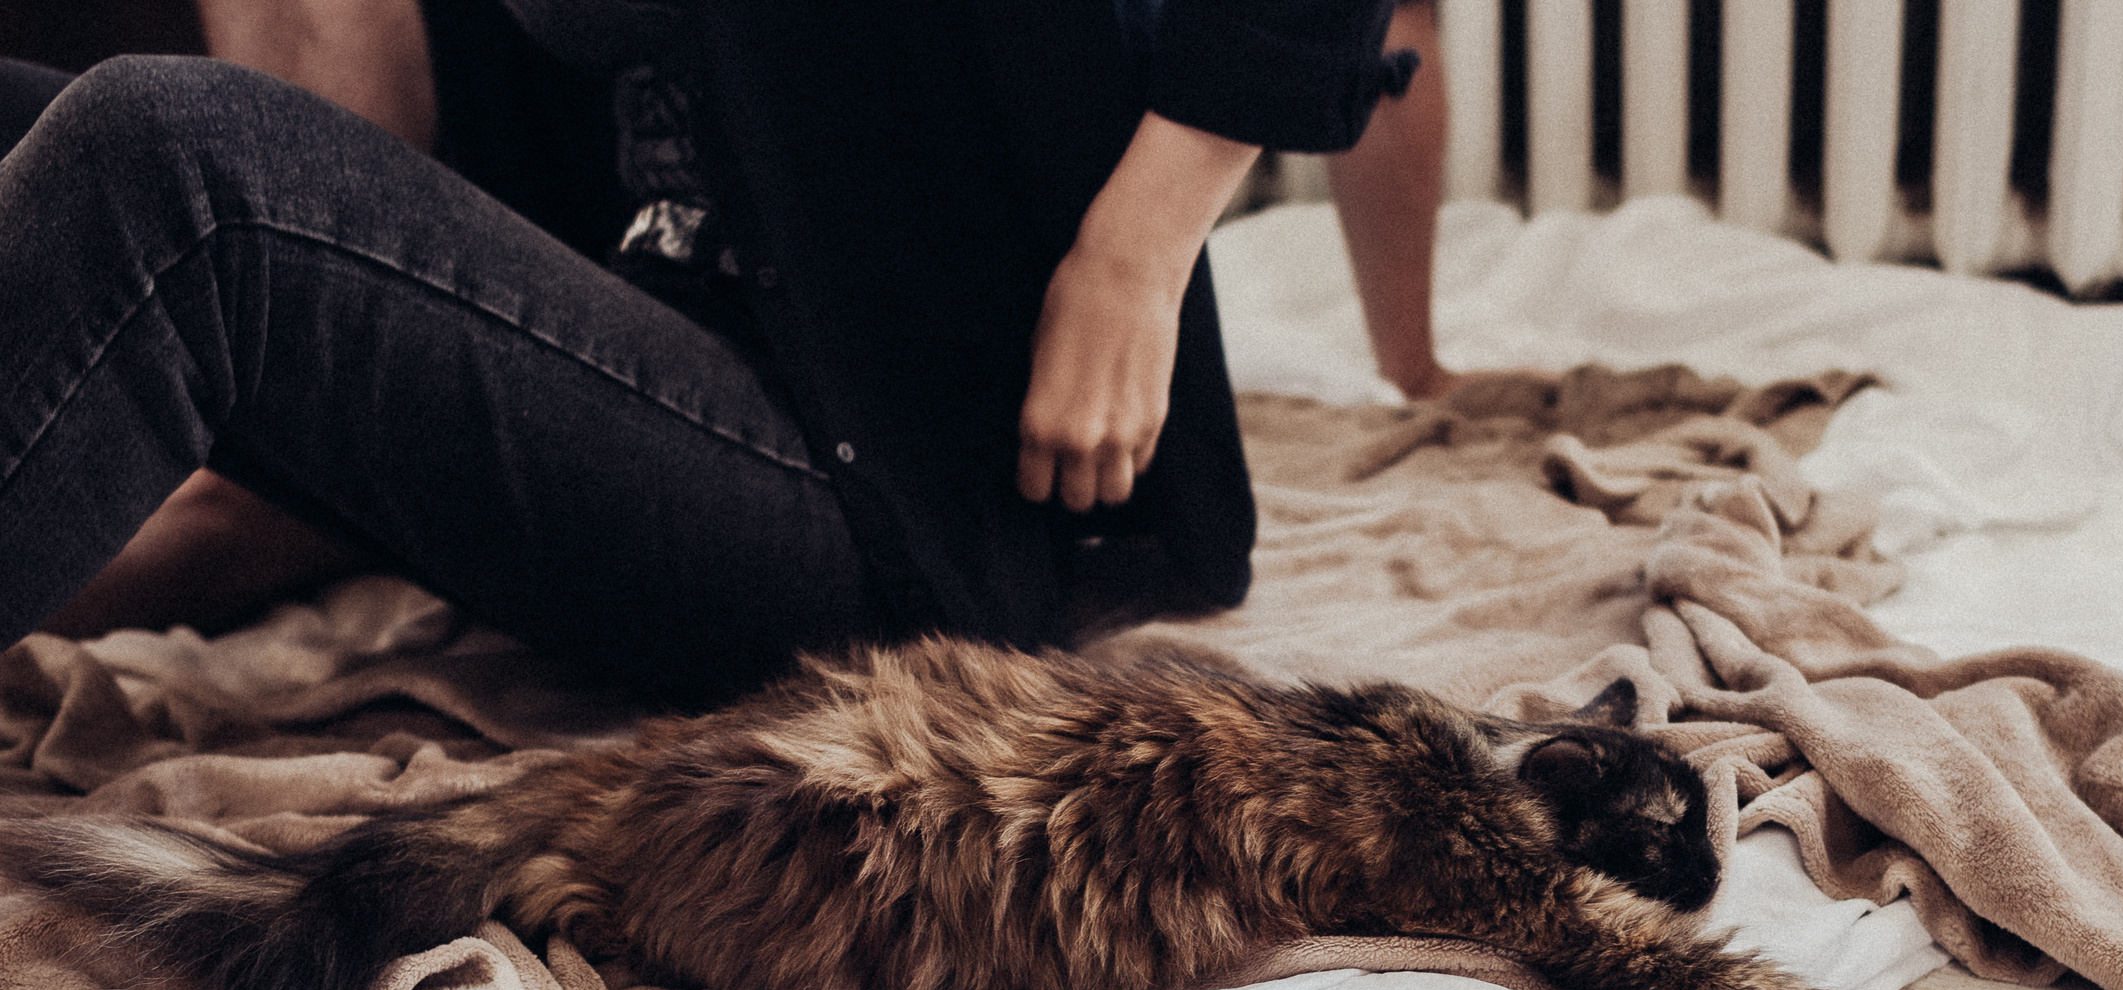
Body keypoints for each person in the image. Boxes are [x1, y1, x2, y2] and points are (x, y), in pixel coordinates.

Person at [0, 0, 1439, 709]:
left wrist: (1136, 253)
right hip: (637, 354)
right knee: (74, 133)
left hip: (899, 484)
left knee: (170, 166)